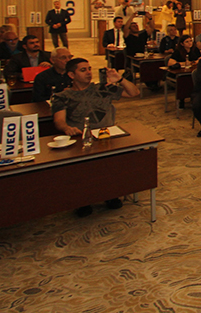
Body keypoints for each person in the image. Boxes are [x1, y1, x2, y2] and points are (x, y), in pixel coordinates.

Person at [51, 57, 139, 217]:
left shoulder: (102, 88)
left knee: (115, 163)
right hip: (82, 140)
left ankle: (111, 194)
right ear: (71, 75)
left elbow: (134, 93)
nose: (88, 73)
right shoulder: (63, 96)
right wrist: (67, 128)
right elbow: (59, 121)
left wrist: (120, 79)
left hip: (107, 137)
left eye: (89, 69)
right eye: (83, 70)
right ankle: (84, 200)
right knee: (84, 169)